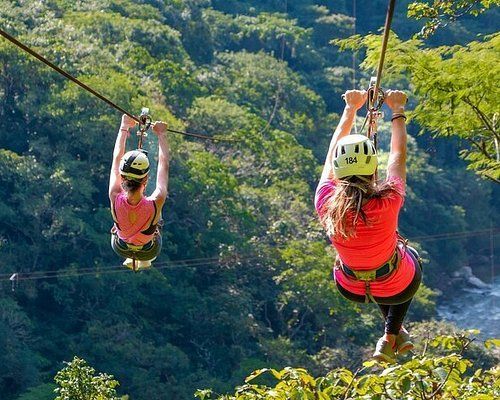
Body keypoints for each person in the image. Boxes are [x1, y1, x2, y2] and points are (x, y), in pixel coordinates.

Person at [315, 89, 422, 363]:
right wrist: (396, 109)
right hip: (396, 284)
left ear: (339, 169)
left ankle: (397, 335)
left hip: (350, 286)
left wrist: (351, 108)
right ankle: (390, 335)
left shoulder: (325, 200)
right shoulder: (388, 198)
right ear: (373, 167)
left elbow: (331, 154)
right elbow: (397, 156)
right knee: (408, 261)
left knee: (375, 271)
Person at [108, 114, 169, 270]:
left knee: (125, 212)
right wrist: (161, 134)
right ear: (146, 179)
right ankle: (144, 259)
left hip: (120, 247)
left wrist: (124, 127)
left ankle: (128, 243)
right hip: (149, 251)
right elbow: (164, 166)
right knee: (157, 214)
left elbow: (116, 159)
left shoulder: (115, 194)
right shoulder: (157, 200)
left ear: (122, 177)